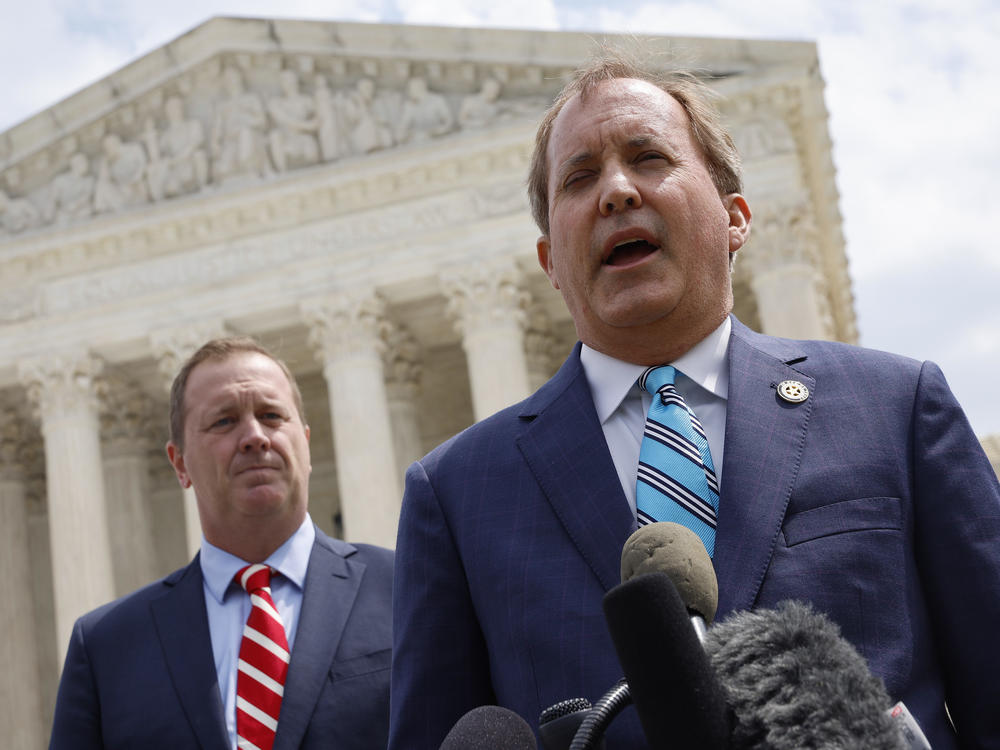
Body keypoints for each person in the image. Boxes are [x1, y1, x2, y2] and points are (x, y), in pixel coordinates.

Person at [388, 51, 1000, 749]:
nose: (616, 192)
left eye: (648, 158)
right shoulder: (459, 493)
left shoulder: (894, 408)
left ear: (736, 217)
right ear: (550, 262)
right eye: (580, 177)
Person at [50, 337, 394, 750]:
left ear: (305, 443)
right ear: (180, 464)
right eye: (224, 422)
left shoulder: (404, 589)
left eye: (271, 416)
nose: (254, 437)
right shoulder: (107, 647)